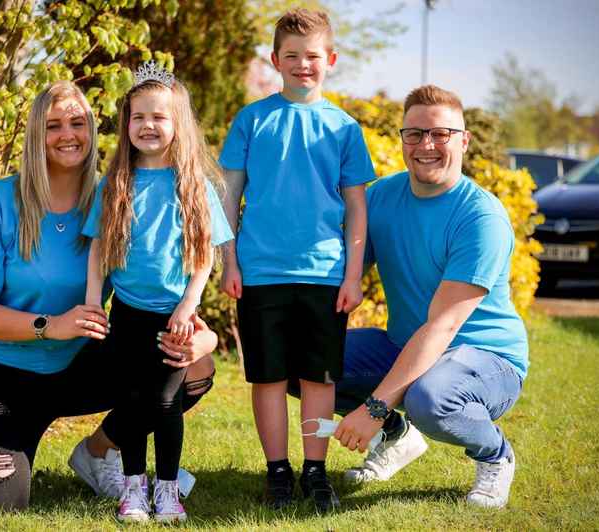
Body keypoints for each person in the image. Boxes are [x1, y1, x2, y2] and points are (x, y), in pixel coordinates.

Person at [0, 80, 219, 515]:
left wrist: (204, 342)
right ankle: (9, 446)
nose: (67, 134)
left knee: (193, 371)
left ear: (94, 129)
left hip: (78, 365)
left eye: (77, 122)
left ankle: (98, 452)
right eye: (53, 125)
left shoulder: (117, 191)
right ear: (37, 133)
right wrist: (48, 326)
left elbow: (169, 283)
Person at [330, 85, 529, 509]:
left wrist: (374, 407)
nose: (426, 145)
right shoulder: (382, 196)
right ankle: (397, 437)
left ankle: (495, 455)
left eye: (440, 134)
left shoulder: (481, 217)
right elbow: (342, 271)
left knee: (430, 398)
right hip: (406, 346)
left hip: (487, 358)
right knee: (303, 356)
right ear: (402, 138)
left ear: (464, 140)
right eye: (415, 133)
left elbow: (443, 326)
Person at [218, 9, 375, 513]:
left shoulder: (345, 128)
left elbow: (356, 207)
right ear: (275, 60)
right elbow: (227, 197)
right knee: (266, 377)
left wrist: (353, 275)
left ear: (329, 60)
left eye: (312, 57)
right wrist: (230, 263)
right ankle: (277, 471)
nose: (302, 65)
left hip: (325, 274)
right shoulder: (252, 119)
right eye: (292, 56)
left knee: (319, 379)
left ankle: (315, 469)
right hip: (260, 273)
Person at [81, 62, 233, 523]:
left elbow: (204, 254)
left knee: (165, 402)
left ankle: (166, 491)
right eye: (138, 117)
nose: (148, 126)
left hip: (174, 317)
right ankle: (132, 489)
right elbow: (97, 251)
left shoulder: (195, 186)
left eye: (159, 117)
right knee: (131, 399)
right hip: (127, 312)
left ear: (177, 124)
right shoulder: (116, 185)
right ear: (127, 123)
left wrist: (189, 305)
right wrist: (93, 298)